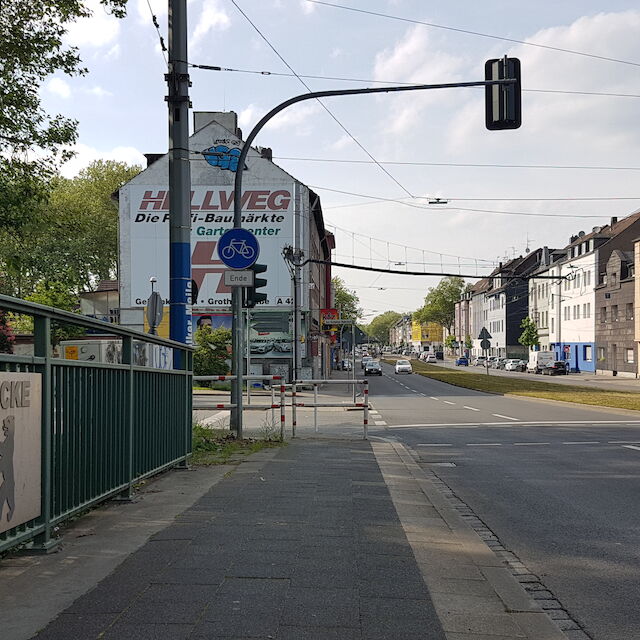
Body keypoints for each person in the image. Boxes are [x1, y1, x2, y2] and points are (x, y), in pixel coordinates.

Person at [0, 415, 15, 523]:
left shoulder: (10, 440)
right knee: (7, 499)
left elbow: (4, 453)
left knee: (5, 499)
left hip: (8, 480)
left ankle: (11, 511)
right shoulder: (8, 440)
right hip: (8, 480)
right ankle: (11, 511)